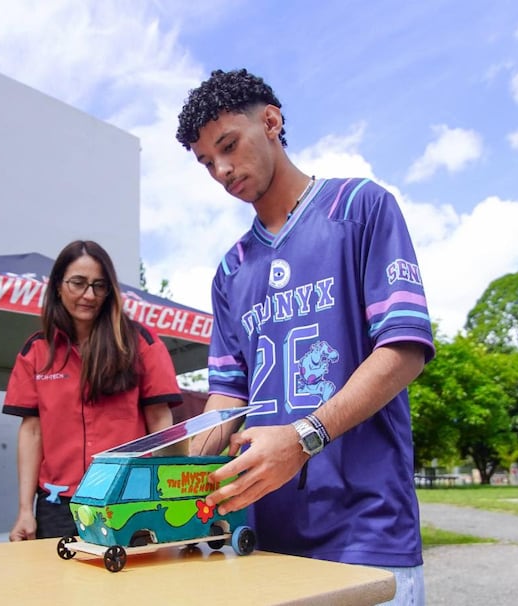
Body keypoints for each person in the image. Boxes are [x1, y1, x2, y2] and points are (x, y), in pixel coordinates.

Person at [176, 69, 434, 605]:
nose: (222, 170)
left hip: (368, 532)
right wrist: (178, 464)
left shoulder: (360, 208)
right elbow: (228, 396)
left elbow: (404, 349)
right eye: (207, 163)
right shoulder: (230, 270)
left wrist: (303, 438)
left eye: (228, 146)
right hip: (267, 539)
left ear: (271, 121)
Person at [3, 240, 183, 540]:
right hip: (58, 505)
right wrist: (24, 509)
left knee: (134, 585)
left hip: (129, 500)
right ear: (58, 286)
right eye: (78, 283)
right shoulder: (36, 351)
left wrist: (169, 497)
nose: (89, 295)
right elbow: (31, 431)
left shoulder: (140, 343)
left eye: (100, 286)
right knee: (59, 586)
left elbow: (161, 423)